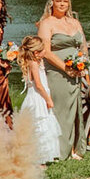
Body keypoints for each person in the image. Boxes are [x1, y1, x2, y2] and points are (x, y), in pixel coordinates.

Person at [35, 0, 88, 160]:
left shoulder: (74, 22)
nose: (62, 4)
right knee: (61, 110)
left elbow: (83, 45)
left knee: (75, 110)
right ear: (52, 2)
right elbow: (46, 52)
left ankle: (74, 148)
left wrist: (83, 64)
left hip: (76, 71)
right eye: (59, 1)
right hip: (57, 72)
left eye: (65, 1)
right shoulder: (47, 23)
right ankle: (58, 151)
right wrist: (66, 69)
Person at [16, 35, 62, 164]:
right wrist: (48, 99)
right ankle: (38, 157)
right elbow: (39, 85)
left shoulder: (37, 62)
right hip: (37, 97)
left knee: (46, 126)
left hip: (40, 96)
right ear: (36, 52)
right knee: (39, 125)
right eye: (42, 51)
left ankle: (47, 155)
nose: (45, 53)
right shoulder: (33, 64)